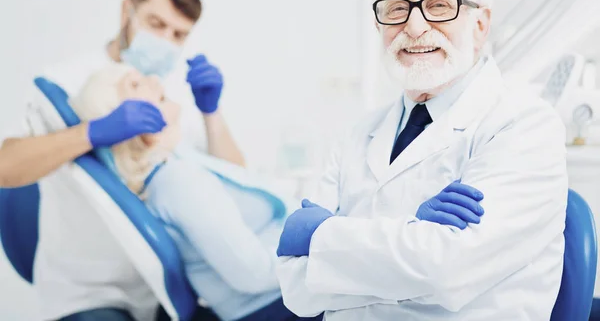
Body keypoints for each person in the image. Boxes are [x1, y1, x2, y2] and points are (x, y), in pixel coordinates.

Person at [275, 0, 569, 321]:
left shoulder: (525, 126)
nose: (414, 26)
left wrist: (319, 236)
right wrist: (414, 242)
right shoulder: (357, 134)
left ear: (479, 25)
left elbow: (448, 269)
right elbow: (295, 287)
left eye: (439, 5)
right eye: (397, 9)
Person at [68, 62, 487, 321]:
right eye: (134, 84)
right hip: (273, 306)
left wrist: (346, 236)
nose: (152, 78)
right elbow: (250, 273)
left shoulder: (181, 163)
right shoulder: (175, 181)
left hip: (289, 291)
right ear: (125, 119)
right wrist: (329, 241)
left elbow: (236, 181)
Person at [0, 0, 243, 320]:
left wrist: (211, 112)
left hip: (164, 289)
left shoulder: (171, 93)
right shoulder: (64, 82)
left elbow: (237, 183)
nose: (165, 40)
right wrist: (91, 132)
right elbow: (6, 166)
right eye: (156, 24)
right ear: (126, 11)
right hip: (87, 296)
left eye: (178, 34)